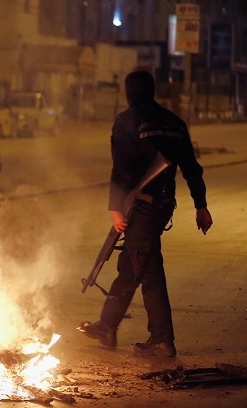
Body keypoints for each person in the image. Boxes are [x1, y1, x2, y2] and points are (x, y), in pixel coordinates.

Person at [77, 69, 213, 358]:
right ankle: (107, 326)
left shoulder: (127, 120)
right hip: (163, 207)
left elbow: (121, 167)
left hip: (141, 207)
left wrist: (115, 206)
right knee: (131, 264)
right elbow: (191, 167)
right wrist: (200, 205)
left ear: (129, 93)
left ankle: (162, 341)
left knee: (148, 270)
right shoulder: (175, 123)